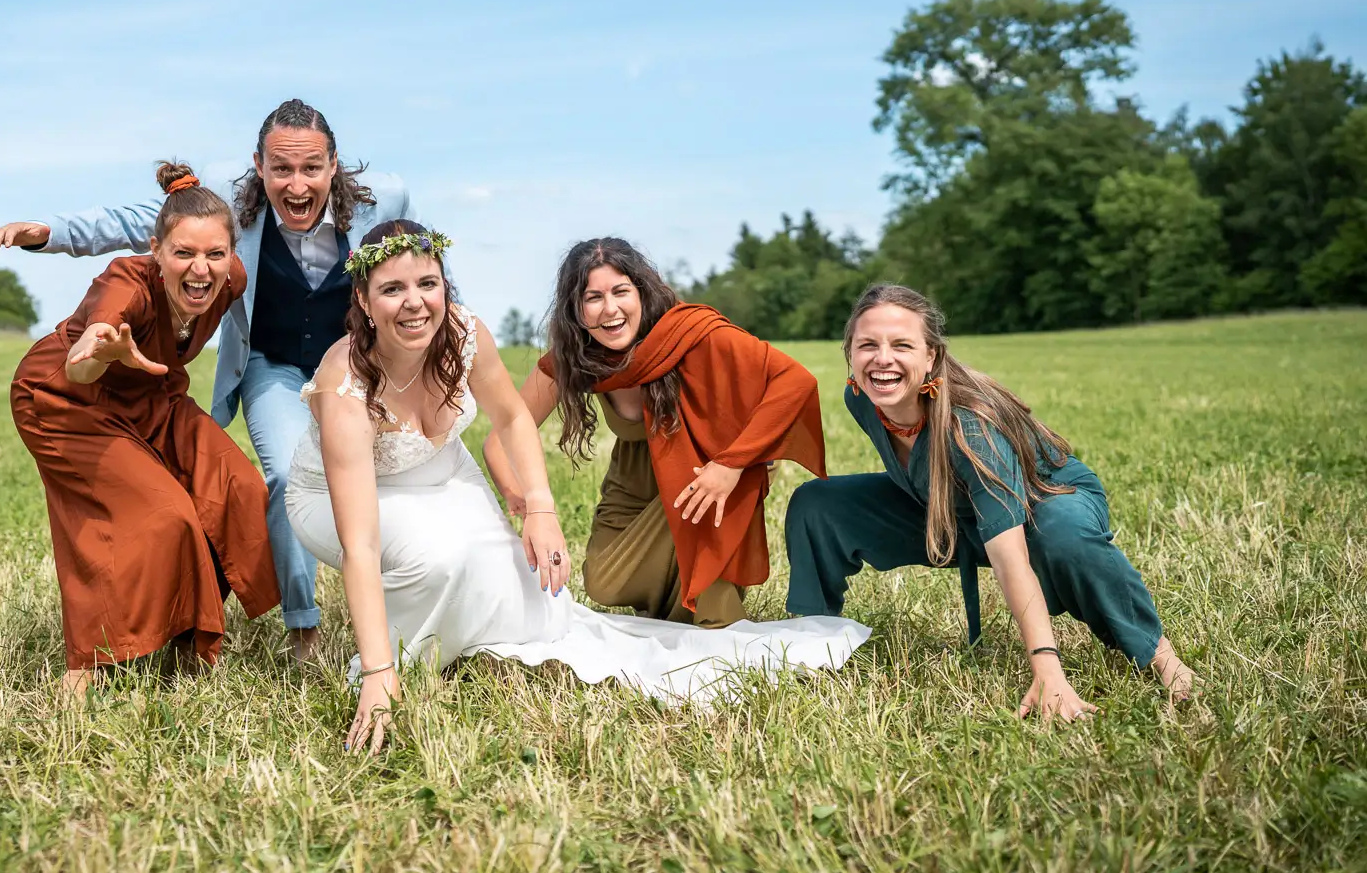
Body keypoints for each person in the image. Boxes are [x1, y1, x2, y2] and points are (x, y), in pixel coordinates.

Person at [285, 221, 870, 755]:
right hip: (336, 494)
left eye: (428, 283)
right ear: (362, 300)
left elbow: (510, 419)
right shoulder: (347, 387)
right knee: (437, 558)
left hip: (452, 468)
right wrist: (375, 673)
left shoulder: (464, 332)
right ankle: (397, 657)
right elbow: (360, 544)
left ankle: (472, 641)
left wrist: (539, 509)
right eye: (392, 289)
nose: (415, 302)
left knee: (534, 596)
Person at [0, 99, 408, 661]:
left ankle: (402, 607)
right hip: (271, 364)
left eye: (311, 168)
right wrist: (51, 232)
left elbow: (420, 267)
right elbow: (145, 224)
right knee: (283, 475)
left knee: (378, 478)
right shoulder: (231, 211)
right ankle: (302, 627)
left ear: (335, 164)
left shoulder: (386, 199)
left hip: (346, 363)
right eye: (281, 169)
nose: (297, 183)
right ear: (259, 166)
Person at [784, 283, 1198, 720]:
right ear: (850, 353)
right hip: (945, 504)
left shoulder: (972, 428)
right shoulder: (862, 398)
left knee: (1062, 535)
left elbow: (1010, 556)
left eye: (901, 345)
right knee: (818, 503)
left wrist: (1046, 668)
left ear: (932, 357)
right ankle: (812, 640)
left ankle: (1159, 654)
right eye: (868, 345)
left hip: (1045, 498)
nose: (882, 359)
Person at [10, 162, 280, 695]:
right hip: (67, 402)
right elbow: (80, 365)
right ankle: (83, 668)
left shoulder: (232, 282)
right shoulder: (124, 282)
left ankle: (185, 638)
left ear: (231, 255)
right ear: (156, 250)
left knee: (239, 489)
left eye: (214, 254)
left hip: (151, 399)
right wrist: (99, 349)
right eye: (183, 253)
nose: (200, 269)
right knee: (164, 516)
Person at [485, 238, 827, 627]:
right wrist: (528, 505)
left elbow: (795, 382)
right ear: (576, 311)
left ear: (642, 293)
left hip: (704, 472)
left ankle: (705, 593)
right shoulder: (575, 360)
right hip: (632, 480)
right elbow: (500, 437)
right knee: (603, 583)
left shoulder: (692, 332)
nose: (610, 309)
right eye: (593, 297)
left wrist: (734, 463)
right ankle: (681, 590)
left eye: (621, 292)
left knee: (702, 593)